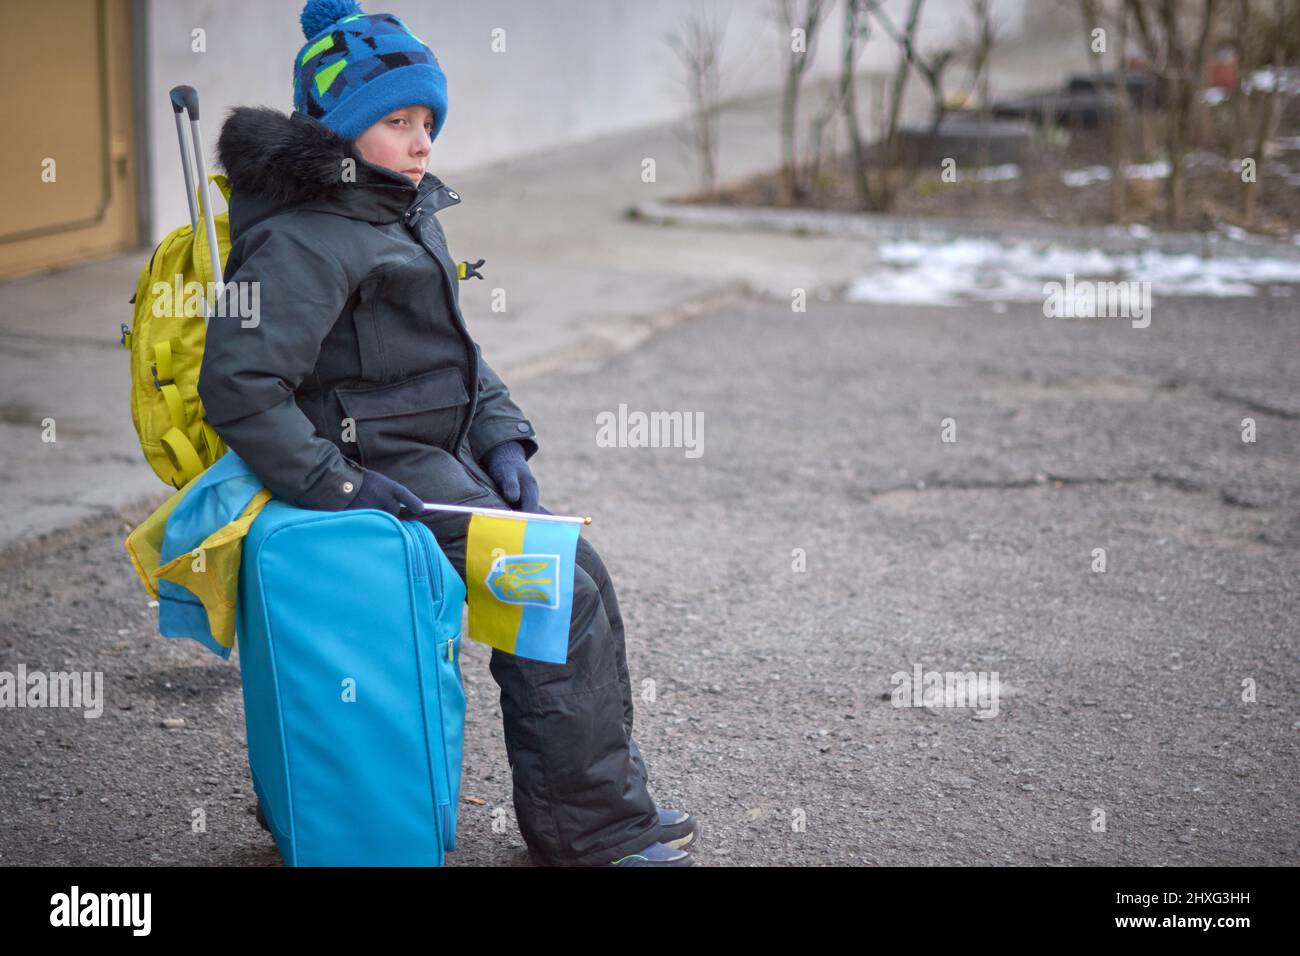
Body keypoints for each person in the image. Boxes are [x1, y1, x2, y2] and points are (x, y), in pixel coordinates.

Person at [197, 0, 697, 866]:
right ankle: (592, 835)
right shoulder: (306, 242)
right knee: (554, 595)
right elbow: (239, 386)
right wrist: (339, 484)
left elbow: (458, 358)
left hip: (435, 453)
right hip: (375, 465)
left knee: (578, 572)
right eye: (397, 121)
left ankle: (596, 814)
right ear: (339, 132)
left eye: (429, 119)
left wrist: (504, 441)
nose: (423, 140)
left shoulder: (394, 209)